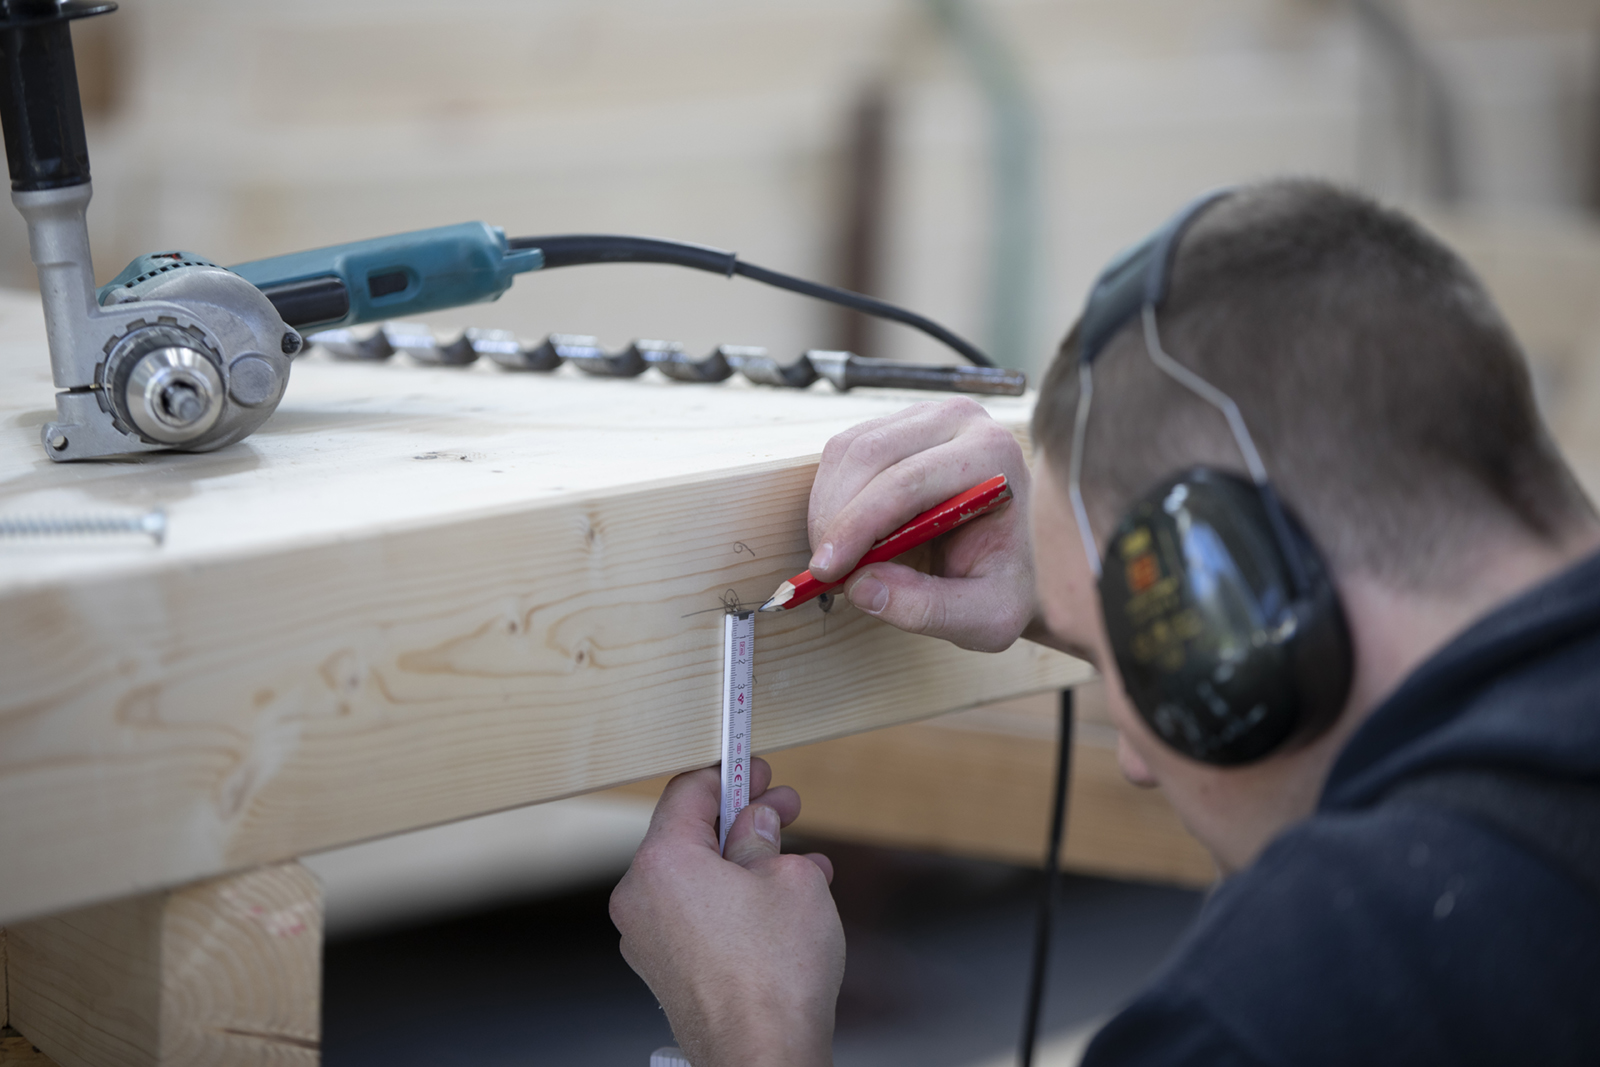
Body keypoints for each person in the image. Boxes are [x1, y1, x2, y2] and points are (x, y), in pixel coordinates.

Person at [608, 178, 1600, 1066]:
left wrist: (751, 1027)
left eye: (1142, 656)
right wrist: (1073, 565)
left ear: (1242, 608)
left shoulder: (1305, 995)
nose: (1132, 756)